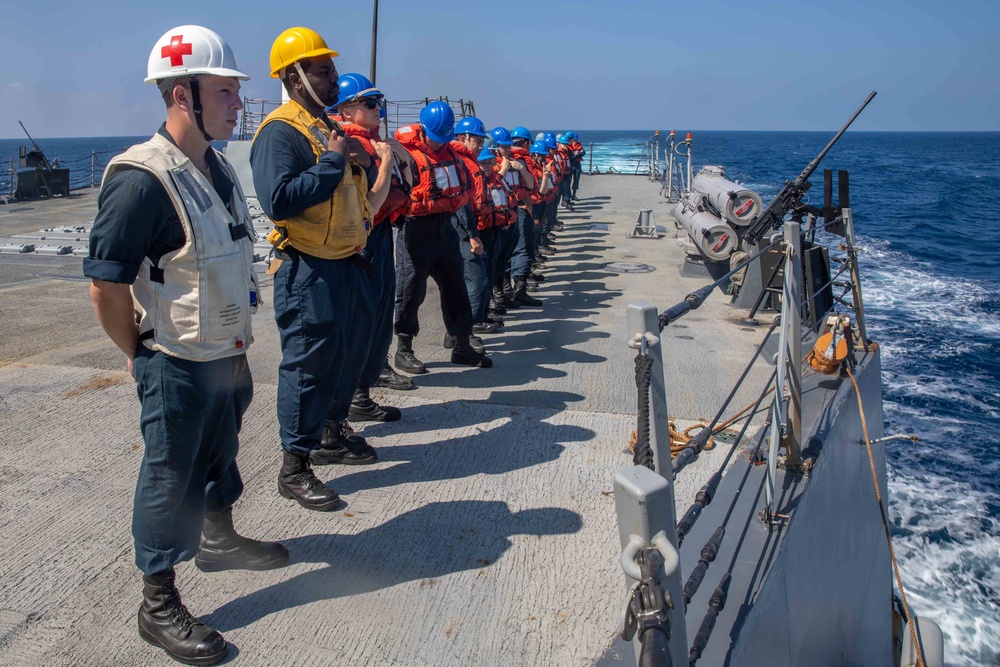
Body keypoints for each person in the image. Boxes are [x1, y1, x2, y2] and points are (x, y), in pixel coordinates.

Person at [84, 25, 288, 665]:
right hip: (175, 361)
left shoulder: (217, 166)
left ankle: (219, 538)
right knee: (168, 477)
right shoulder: (142, 179)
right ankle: (157, 600)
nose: (237, 105)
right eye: (225, 92)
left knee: (221, 454)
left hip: (225, 351)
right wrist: (138, 355)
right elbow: (106, 286)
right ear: (182, 95)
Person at [250, 27, 394, 512]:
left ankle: (332, 434)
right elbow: (278, 200)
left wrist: (361, 162)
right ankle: (294, 468)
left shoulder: (325, 127)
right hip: (308, 269)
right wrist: (335, 161)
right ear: (295, 77)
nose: (334, 78)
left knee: (346, 359)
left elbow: (353, 202)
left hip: (348, 263)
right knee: (308, 368)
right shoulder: (281, 132)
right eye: (323, 70)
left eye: (331, 69)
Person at [331, 72, 417, 412]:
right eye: (370, 103)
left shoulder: (378, 143)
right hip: (362, 240)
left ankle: (363, 391)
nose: (378, 108)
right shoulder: (349, 145)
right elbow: (368, 198)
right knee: (362, 318)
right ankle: (353, 397)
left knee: (380, 316)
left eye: (379, 102)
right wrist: (383, 160)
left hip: (381, 235)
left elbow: (405, 188)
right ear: (347, 110)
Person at [392, 101, 493, 373]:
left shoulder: (453, 155)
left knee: (456, 287)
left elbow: (463, 194)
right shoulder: (405, 155)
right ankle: (404, 349)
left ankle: (461, 345)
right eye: (436, 139)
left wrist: (470, 233)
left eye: (443, 139)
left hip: (445, 227)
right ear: (423, 130)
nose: (439, 145)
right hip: (415, 229)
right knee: (411, 290)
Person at [450, 116, 497, 336]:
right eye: (477, 141)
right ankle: (462, 335)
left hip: (473, 226)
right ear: (462, 138)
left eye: (481, 141)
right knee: (476, 282)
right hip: (460, 230)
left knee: (472, 282)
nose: (481, 146)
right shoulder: (458, 162)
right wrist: (471, 235)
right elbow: (460, 203)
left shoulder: (467, 161)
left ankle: (460, 335)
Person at [488, 126, 534, 312]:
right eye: (503, 147)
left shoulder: (517, 163)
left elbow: (531, 185)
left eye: (508, 146)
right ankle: (496, 296)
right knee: (496, 258)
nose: (507, 150)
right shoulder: (490, 165)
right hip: (497, 217)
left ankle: (503, 293)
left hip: (513, 212)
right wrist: (504, 170)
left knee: (507, 254)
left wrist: (521, 168)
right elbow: (490, 189)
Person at [567, 131, 585, 200]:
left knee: (576, 180)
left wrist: (578, 154)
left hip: (577, 164)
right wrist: (576, 155)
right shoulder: (568, 146)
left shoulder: (579, 145)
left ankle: (574, 195)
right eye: (574, 140)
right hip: (571, 165)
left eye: (576, 140)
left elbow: (583, 153)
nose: (575, 141)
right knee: (568, 181)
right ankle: (568, 196)